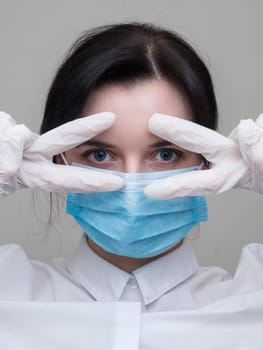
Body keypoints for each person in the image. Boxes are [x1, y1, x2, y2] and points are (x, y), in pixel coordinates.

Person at [0, 22, 262, 348]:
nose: (131, 183)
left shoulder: (254, 302)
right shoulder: (7, 293)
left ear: (205, 161)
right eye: (99, 154)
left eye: (165, 154)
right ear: (58, 160)